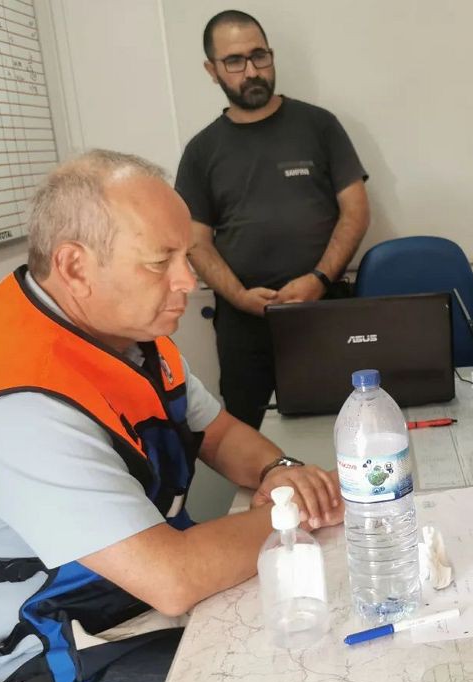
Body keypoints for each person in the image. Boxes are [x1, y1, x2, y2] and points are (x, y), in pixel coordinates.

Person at [0, 150, 345, 682]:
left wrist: (278, 468)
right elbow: (173, 578)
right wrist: (301, 512)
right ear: (76, 267)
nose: (188, 281)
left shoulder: (126, 338)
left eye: (188, 256)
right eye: (160, 261)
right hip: (39, 665)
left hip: (120, 612)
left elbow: (216, 432)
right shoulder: (16, 406)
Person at [175, 10, 371, 429]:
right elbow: (194, 242)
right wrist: (241, 296)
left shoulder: (320, 126)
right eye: (234, 61)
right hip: (243, 324)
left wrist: (318, 278)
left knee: (347, 426)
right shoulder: (201, 151)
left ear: (271, 56)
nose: (251, 71)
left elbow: (356, 210)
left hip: (324, 310)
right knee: (248, 433)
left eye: (259, 56)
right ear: (212, 70)